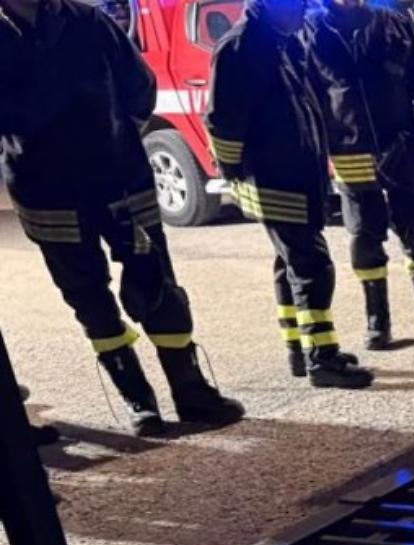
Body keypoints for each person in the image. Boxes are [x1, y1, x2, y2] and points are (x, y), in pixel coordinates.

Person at [0, 0, 244, 436]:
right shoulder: (78, 21)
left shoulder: (88, 20)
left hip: (120, 182)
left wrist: (112, 138)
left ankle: (190, 393)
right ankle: (140, 403)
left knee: (157, 286)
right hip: (47, 194)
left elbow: (139, 90)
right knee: (90, 300)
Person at [205, 0, 374, 388]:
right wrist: (235, 170)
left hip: (295, 172)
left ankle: (301, 350)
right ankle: (322, 358)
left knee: (290, 263)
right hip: (275, 177)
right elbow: (223, 118)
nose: (304, 8)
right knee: (312, 264)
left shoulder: (284, 40)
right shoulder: (242, 46)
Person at [302, 0, 414, 351]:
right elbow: (309, 101)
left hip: (401, 146)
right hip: (350, 152)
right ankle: (378, 321)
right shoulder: (312, 30)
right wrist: (317, 157)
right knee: (365, 237)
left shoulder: (394, 23)